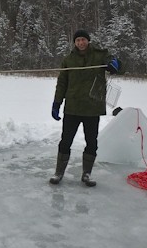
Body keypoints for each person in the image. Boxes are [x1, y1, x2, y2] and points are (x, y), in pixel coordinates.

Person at [49, 29, 120, 187]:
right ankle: (59, 172)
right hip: (72, 107)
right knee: (65, 141)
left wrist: (115, 64)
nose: (81, 43)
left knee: (91, 142)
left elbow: (118, 66)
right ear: (74, 43)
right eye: (78, 40)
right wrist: (57, 103)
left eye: (83, 40)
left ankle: (86, 174)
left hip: (92, 108)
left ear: (88, 40)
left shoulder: (100, 55)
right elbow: (62, 84)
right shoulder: (68, 60)